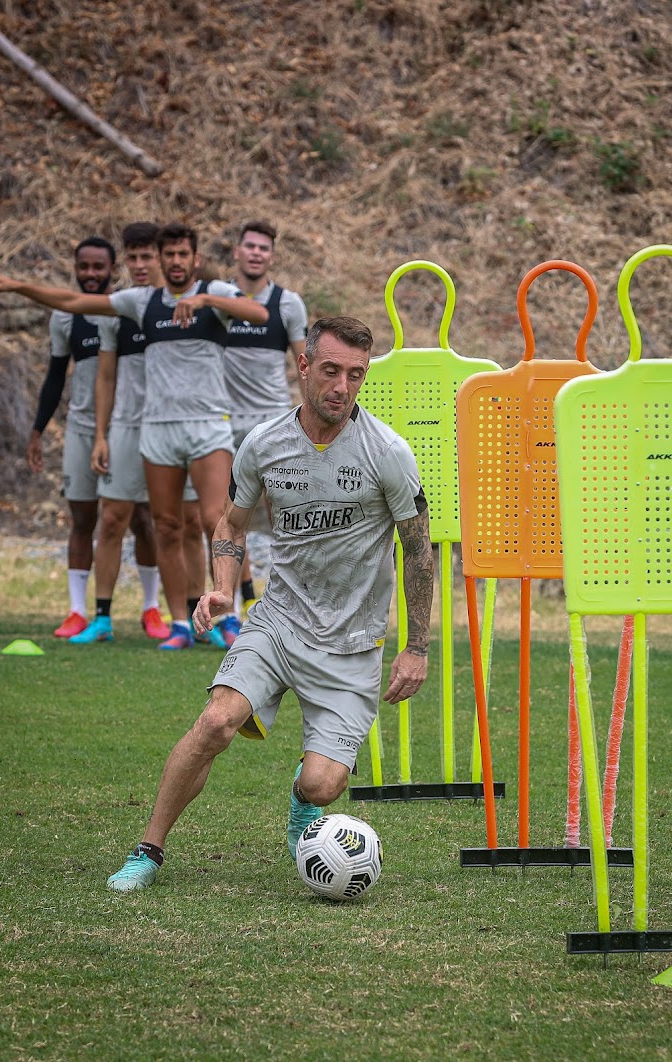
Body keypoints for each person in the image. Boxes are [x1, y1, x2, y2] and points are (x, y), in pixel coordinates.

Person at [104, 316, 434, 891]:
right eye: (330, 370)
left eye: (356, 375)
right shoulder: (263, 444)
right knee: (216, 721)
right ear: (303, 367)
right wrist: (223, 587)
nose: (342, 386)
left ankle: (302, 803)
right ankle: (147, 851)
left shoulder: (388, 452)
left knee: (324, 785)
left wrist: (417, 646)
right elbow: (230, 523)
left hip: (352, 646)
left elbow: (417, 549)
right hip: (277, 624)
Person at [0, 223, 269, 651]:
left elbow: (260, 314)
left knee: (216, 520)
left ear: (194, 257)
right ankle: (181, 624)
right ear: (160, 257)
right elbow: (76, 300)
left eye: (181, 254)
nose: (174, 261)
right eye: (167, 253)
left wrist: (206, 299)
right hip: (156, 429)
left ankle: (228, 616)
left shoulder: (217, 293)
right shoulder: (142, 301)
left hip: (208, 426)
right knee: (166, 526)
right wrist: (20, 286)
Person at [75, 222, 208, 644]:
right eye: (131, 257)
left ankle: (181, 616)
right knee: (113, 519)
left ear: (164, 258)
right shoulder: (121, 309)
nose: (139, 264)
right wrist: (101, 434)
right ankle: (101, 617)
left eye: (146, 256)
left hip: (173, 426)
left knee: (182, 524)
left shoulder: (182, 303)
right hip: (128, 428)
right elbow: (106, 377)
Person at [23, 236, 158, 638]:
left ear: (112, 269)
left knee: (143, 519)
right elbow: (53, 376)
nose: (92, 274)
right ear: (76, 269)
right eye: (85, 267)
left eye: (100, 267)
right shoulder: (64, 317)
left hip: (127, 426)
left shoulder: (125, 310)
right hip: (83, 429)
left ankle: (151, 609)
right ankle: (78, 611)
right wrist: (38, 429)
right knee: (82, 519)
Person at [222, 219, 309, 618]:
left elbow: (306, 364)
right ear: (236, 251)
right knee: (227, 515)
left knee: (283, 512)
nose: (256, 253)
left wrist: (313, 421)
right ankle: (240, 601)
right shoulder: (220, 299)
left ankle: (286, 600)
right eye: (250, 246)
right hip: (223, 422)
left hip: (272, 420)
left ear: (272, 256)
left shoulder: (287, 303)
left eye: (264, 248)